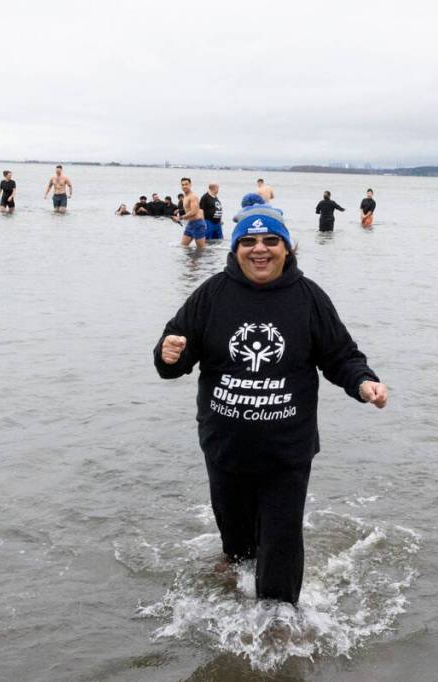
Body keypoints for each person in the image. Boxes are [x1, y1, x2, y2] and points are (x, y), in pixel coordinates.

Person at [153, 205, 388, 605]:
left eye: (270, 241)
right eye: (248, 241)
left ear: (287, 247)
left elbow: (340, 356)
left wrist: (364, 383)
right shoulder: (212, 294)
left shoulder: (308, 297)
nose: (259, 249)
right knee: (237, 543)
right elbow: (174, 358)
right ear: (236, 247)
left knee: (280, 540)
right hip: (224, 444)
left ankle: (278, 622)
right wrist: (167, 354)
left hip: (286, 449)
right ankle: (234, 584)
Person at [178, 177, 206, 248]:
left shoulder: (193, 196)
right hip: (190, 224)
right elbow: (200, 210)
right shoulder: (185, 197)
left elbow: (194, 211)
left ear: (190, 185)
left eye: (186, 184)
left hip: (197, 224)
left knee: (201, 249)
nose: (184, 186)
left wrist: (181, 218)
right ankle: (189, 259)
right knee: (183, 246)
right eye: (182, 184)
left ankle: (208, 259)